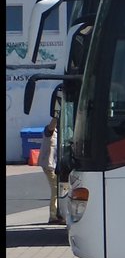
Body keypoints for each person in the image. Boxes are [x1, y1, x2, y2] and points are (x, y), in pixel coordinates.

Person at [40, 96, 65, 226]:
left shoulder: (62, 132)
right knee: (55, 190)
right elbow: (51, 126)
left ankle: (58, 213)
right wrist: (57, 114)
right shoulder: (49, 131)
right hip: (49, 165)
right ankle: (53, 216)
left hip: (54, 165)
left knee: (59, 189)